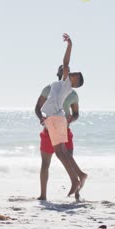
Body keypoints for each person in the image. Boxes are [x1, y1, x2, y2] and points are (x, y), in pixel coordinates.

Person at [40, 33, 87, 198]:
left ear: (74, 81)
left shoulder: (67, 83)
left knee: (62, 153)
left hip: (57, 117)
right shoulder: (62, 84)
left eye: (75, 74)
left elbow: (66, 62)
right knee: (61, 152)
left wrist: (69, 45)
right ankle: (79, 176)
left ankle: (77, 178)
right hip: (53, 117)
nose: (72, 72)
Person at [35, 65, 80, 201]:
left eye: (66, 69)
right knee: (45, 163)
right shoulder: (49, 89)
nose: (65, 70)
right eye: (62, 69)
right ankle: (43, 195)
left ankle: (77, 194)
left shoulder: (72, 94)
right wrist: (41, 118)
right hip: (48, 130)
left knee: (69, 161)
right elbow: (37, 108)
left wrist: (72, 118)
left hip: (65, 130)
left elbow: (76, 113)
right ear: (58, 73)